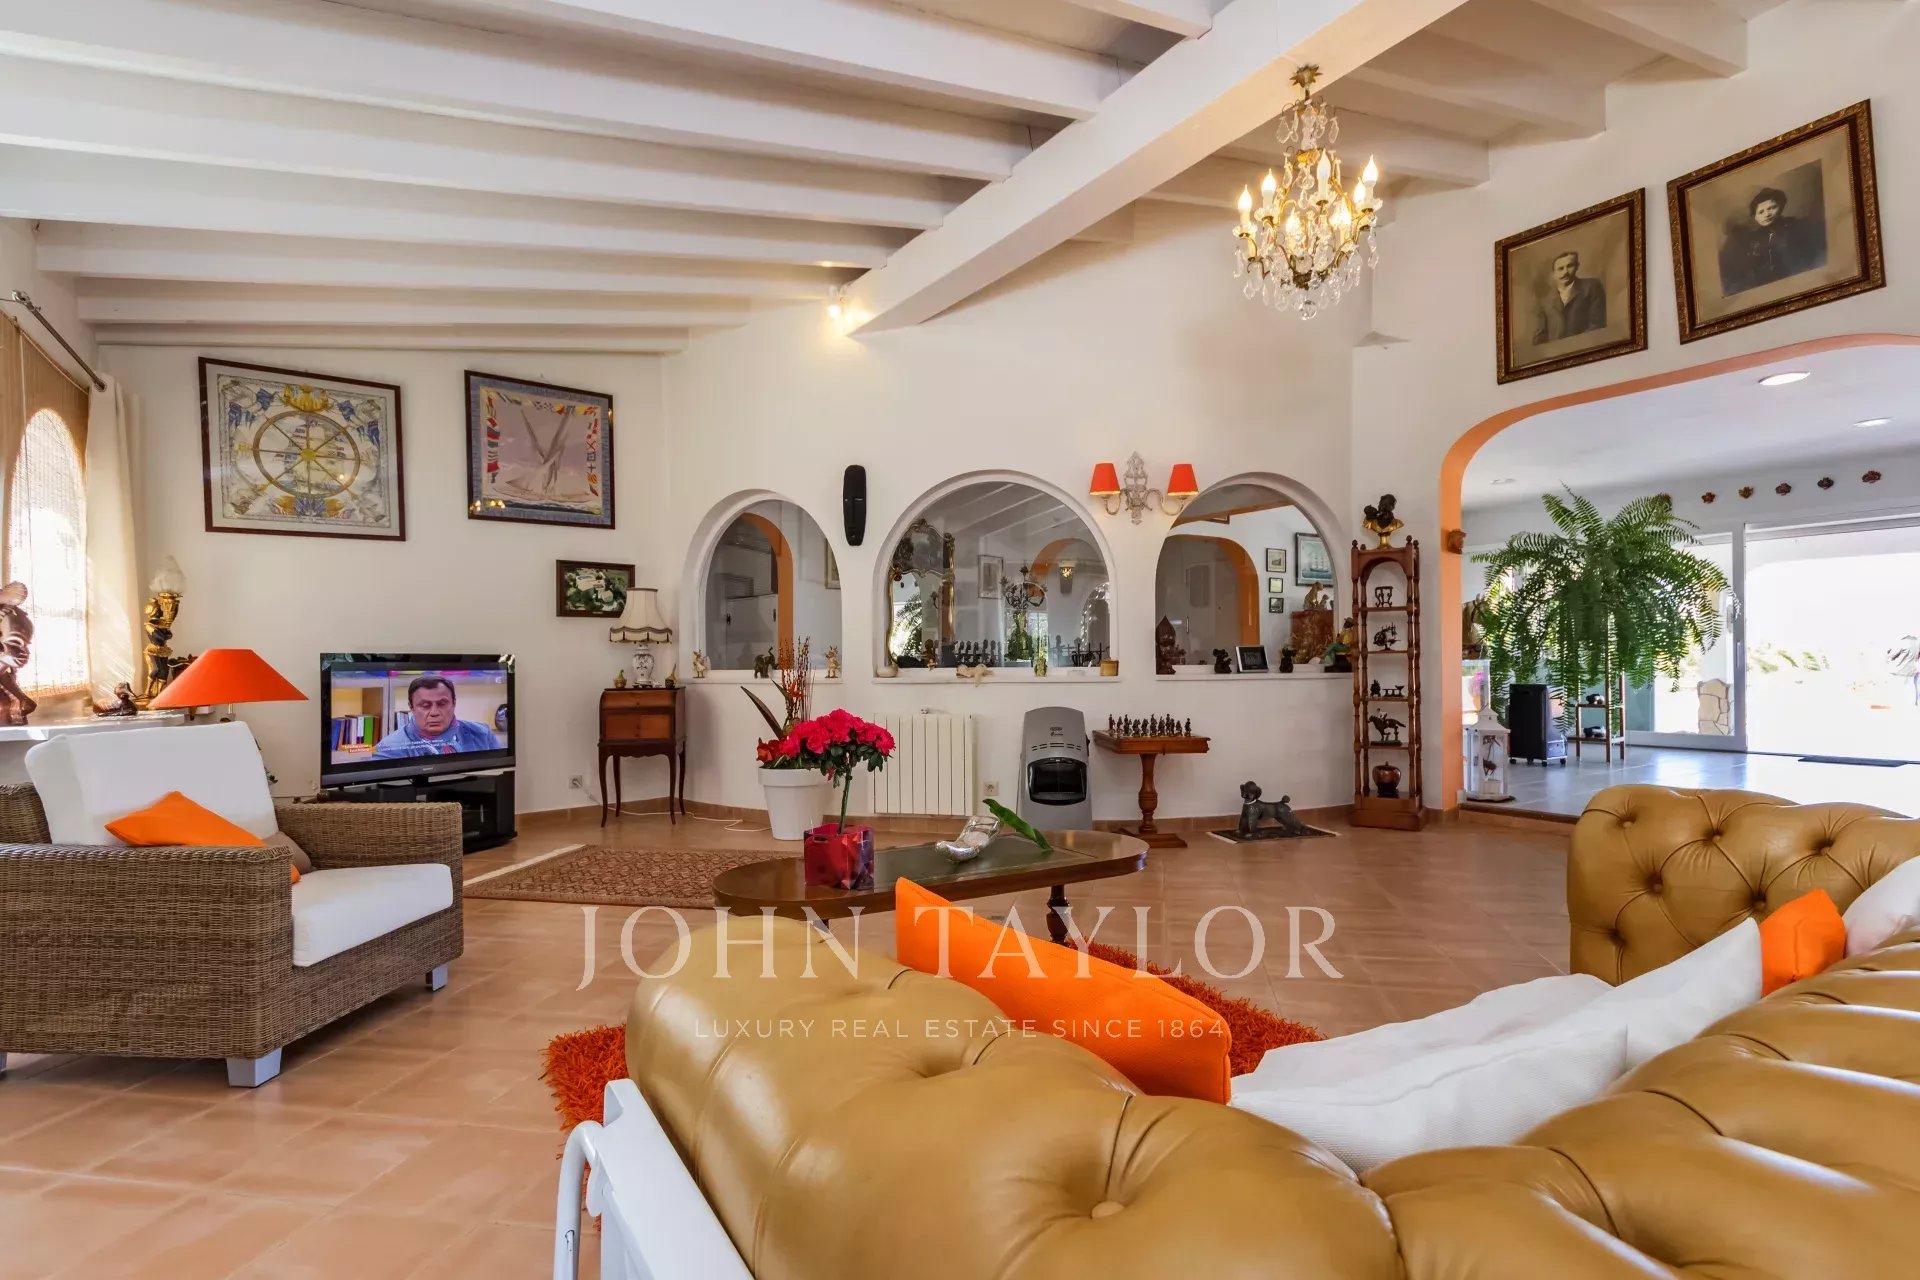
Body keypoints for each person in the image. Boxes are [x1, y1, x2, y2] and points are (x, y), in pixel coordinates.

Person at [1718, 186, 1826, 296]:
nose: (1767, 214)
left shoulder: (1793, 225)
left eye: (1772, 208)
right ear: (1755, 217)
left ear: (1780, 207)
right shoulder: (1756, 239)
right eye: (1761, 212)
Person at [371, 675, 500, 759]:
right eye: (425, 705)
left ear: (454, 703)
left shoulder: (483, 734)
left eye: (442, 704)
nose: (434, 712)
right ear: (411, 707)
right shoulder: (388, 749)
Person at [1531, 249, 1607, 344]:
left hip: (1587, 345)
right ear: (1554, 273)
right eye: (1560, 268)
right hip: (1556, 351)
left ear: (1577, 266)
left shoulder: (1592, 287)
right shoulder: (1545, 302)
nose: (1565, 272)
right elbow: (1540, 336)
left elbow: (1597, 324)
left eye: (1570, 266)